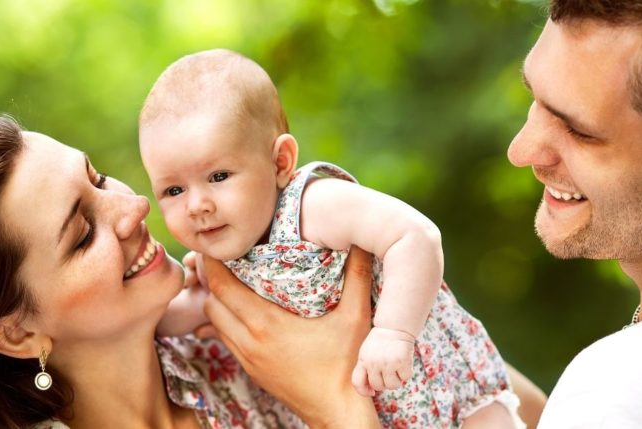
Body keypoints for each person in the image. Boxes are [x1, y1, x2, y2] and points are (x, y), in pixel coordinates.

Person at [0, 115, 384, 428]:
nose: (133, 208)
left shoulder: (249, 340)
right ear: (16, 331)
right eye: (83, 234)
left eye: (99, 179)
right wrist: (339, 407)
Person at [138, 49, 522, 428]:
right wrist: (143, 320)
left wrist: (393, 332)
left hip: (450, 390)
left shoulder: (313, 205)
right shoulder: (219, 261)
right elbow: (194, 311)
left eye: (219, 176)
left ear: (280, 162)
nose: (197, 206)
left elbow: (415, 236)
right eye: (174, 191)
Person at [506, 0, 642, 427]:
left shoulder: (630, 381)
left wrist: (331, 404)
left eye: (579, 131)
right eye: (535, 100)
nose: (520, 151)